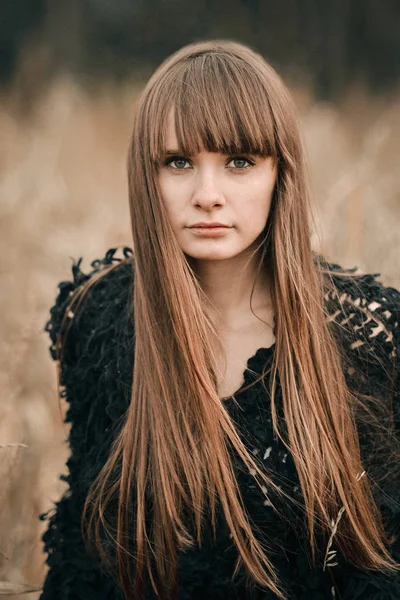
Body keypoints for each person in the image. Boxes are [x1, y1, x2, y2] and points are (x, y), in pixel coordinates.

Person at [39, 40, 400, 600]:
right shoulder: (98, 317)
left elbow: (379, 569)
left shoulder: (368, 336)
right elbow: (83, 557)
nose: (208, 196)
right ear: (146, 175)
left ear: (282, 173)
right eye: (178, 162)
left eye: (239, 162)